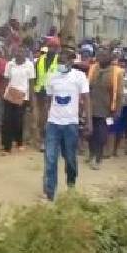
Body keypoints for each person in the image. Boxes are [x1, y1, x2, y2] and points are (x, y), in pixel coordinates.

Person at [43, 48, 91, 201]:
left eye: (63, 61)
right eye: (59, 61)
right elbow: (48, 100)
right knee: (50, 158)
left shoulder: (79, 77)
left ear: (71, 61)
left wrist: (88, 121)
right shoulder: (51, 77)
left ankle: (71, 184)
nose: (60, 64)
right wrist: (46, 120)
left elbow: (86, 99)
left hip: (70, 124)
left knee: (70, 158)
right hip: (53, 123)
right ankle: (50, 192)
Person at [86, 47, 123, 169]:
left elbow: (119, 94)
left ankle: (98, 158)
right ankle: (91, 153)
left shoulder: (117, 72)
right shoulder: (92, 69)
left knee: (101, 135)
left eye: (104, 55)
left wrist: (117, 110)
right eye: (100, 55)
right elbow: (87, 88)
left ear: (110, 58)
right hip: (91, 107)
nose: (101, 57)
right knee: (90, 134)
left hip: (107, 110)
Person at [1, 46, 35, 154]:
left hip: (22, 97)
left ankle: (19, 142)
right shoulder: (10, 64)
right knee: (7, 121)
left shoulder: (29, 65)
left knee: (18, 121)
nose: (19, 54)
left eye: (21, 52)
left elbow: (31, 83)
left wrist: (31, 99)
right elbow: (6, 80)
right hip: (10, 95)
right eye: (17, 52)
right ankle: (7, 146)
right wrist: (3, 94)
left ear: (25, 53)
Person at [34, 36, 60, 150]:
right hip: (39, 91)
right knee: (40, 118)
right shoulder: (40, 59)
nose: (52, 49)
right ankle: (40, 139)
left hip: (52, 94)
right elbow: (34, 76)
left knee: (49, 118)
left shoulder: (59, 61)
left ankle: (47, 141)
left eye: (54, 47)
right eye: (50, 46)